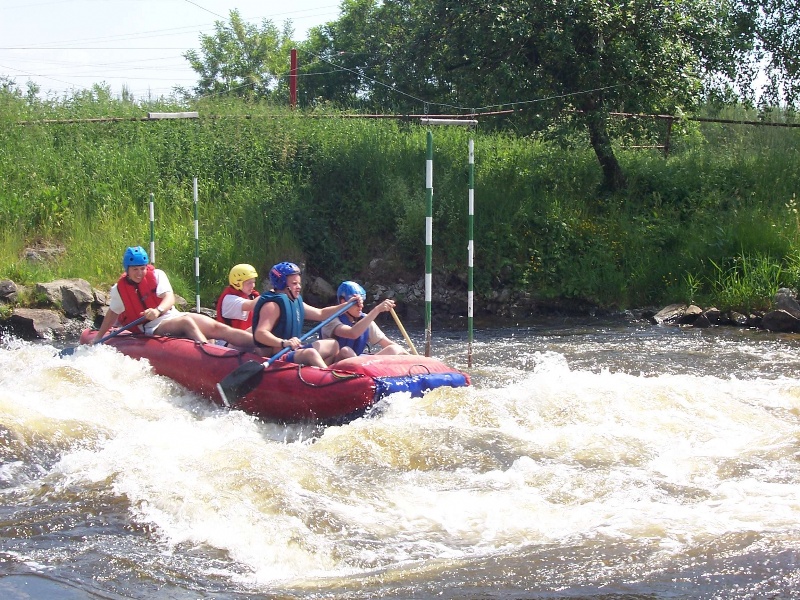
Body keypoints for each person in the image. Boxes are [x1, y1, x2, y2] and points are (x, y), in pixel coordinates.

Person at [91, 246, 255, 349]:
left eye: (142, 268)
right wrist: (99, 336)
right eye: (135, 269)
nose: (140, 273)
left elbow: (169, 298)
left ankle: (265, 344)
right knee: (187, 322)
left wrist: (157, 310)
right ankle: (209, 352)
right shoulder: (119, 290)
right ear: (127, 269)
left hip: (170, 315)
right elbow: (113, 313)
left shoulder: (157, 274)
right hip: (151, 327)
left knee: (218, 329)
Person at [251, 261, 343, 367]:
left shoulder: (293, 301)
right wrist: (284, 342)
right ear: (282, 284)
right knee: (310, 353)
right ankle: (328, 377)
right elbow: (260, 333)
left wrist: (345, 306)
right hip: (277, 356)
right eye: (294, 284)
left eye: (299, 283)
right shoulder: (272, 306)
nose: (299, 287)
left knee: (333, 344)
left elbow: (321, 314)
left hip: (292, 350)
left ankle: (317, 376)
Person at [321, 281, 409, 362]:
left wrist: (413, 358)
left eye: (362, 302)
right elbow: (352, 333)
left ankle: (368, 372)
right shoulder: (331, 320)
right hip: (334, 365)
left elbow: (388, 343)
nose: (361, 306)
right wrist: (377, 310)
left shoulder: (365, 320)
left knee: (394, 349)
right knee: (346, 351)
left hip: (359, 365)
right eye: (356, 303)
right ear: (343, 302)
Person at [215, 263, 259, 330]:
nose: (253, 286)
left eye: (253, 282)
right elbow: (252, 305)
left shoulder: (251, 295)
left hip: (244, 337)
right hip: (230, 339)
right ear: (237, 283)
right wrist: (275, 292)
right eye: (249, 283)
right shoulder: (229, 299)